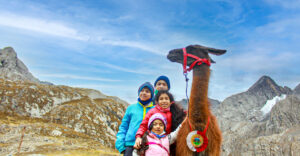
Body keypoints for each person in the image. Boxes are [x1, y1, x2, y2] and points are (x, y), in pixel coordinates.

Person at [115, 82, 155, 156]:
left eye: (147, 91)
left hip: (149, 146)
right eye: (142, 91)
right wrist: (120, 145)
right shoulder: (131, 108)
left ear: (152, 95)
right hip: (130, 146)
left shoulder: (155, 109)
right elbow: (123, 127)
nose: (144, 93)